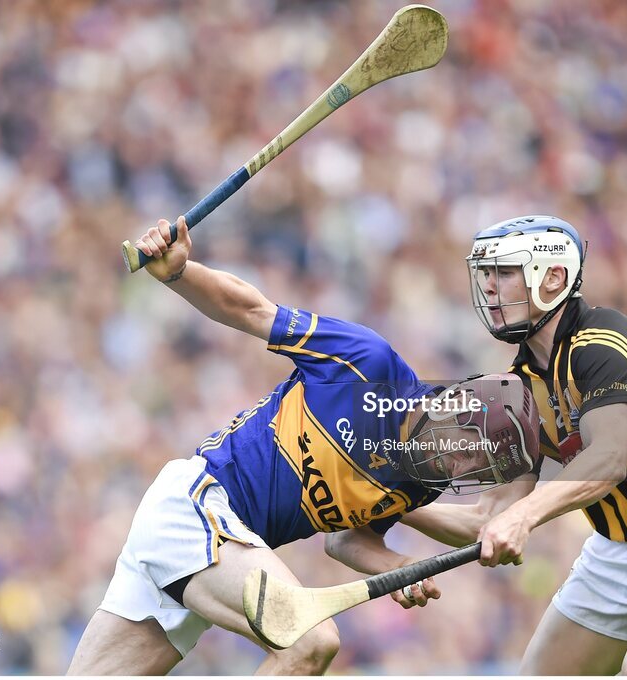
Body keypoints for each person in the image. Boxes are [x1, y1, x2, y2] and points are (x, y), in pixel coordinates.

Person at [67, 217, 540, 675]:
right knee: (312, 642)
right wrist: (180, 274)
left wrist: (399, 564)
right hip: (198, 508)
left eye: (471, 465)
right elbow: (252, 310)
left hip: (222, 548)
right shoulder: (366, 363)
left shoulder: (420, 481)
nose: (454, 465)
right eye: (465, 447)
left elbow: (346, 538)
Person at [402, 215, 627, 675]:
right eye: (486, 275)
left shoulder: (606, 342)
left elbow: (608, 459)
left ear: (553, 277)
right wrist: (394, 504)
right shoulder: (516, 390)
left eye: (505, 272)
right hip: (613, 554)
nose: (490, 288)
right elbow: (488, 517)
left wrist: (525, 515)